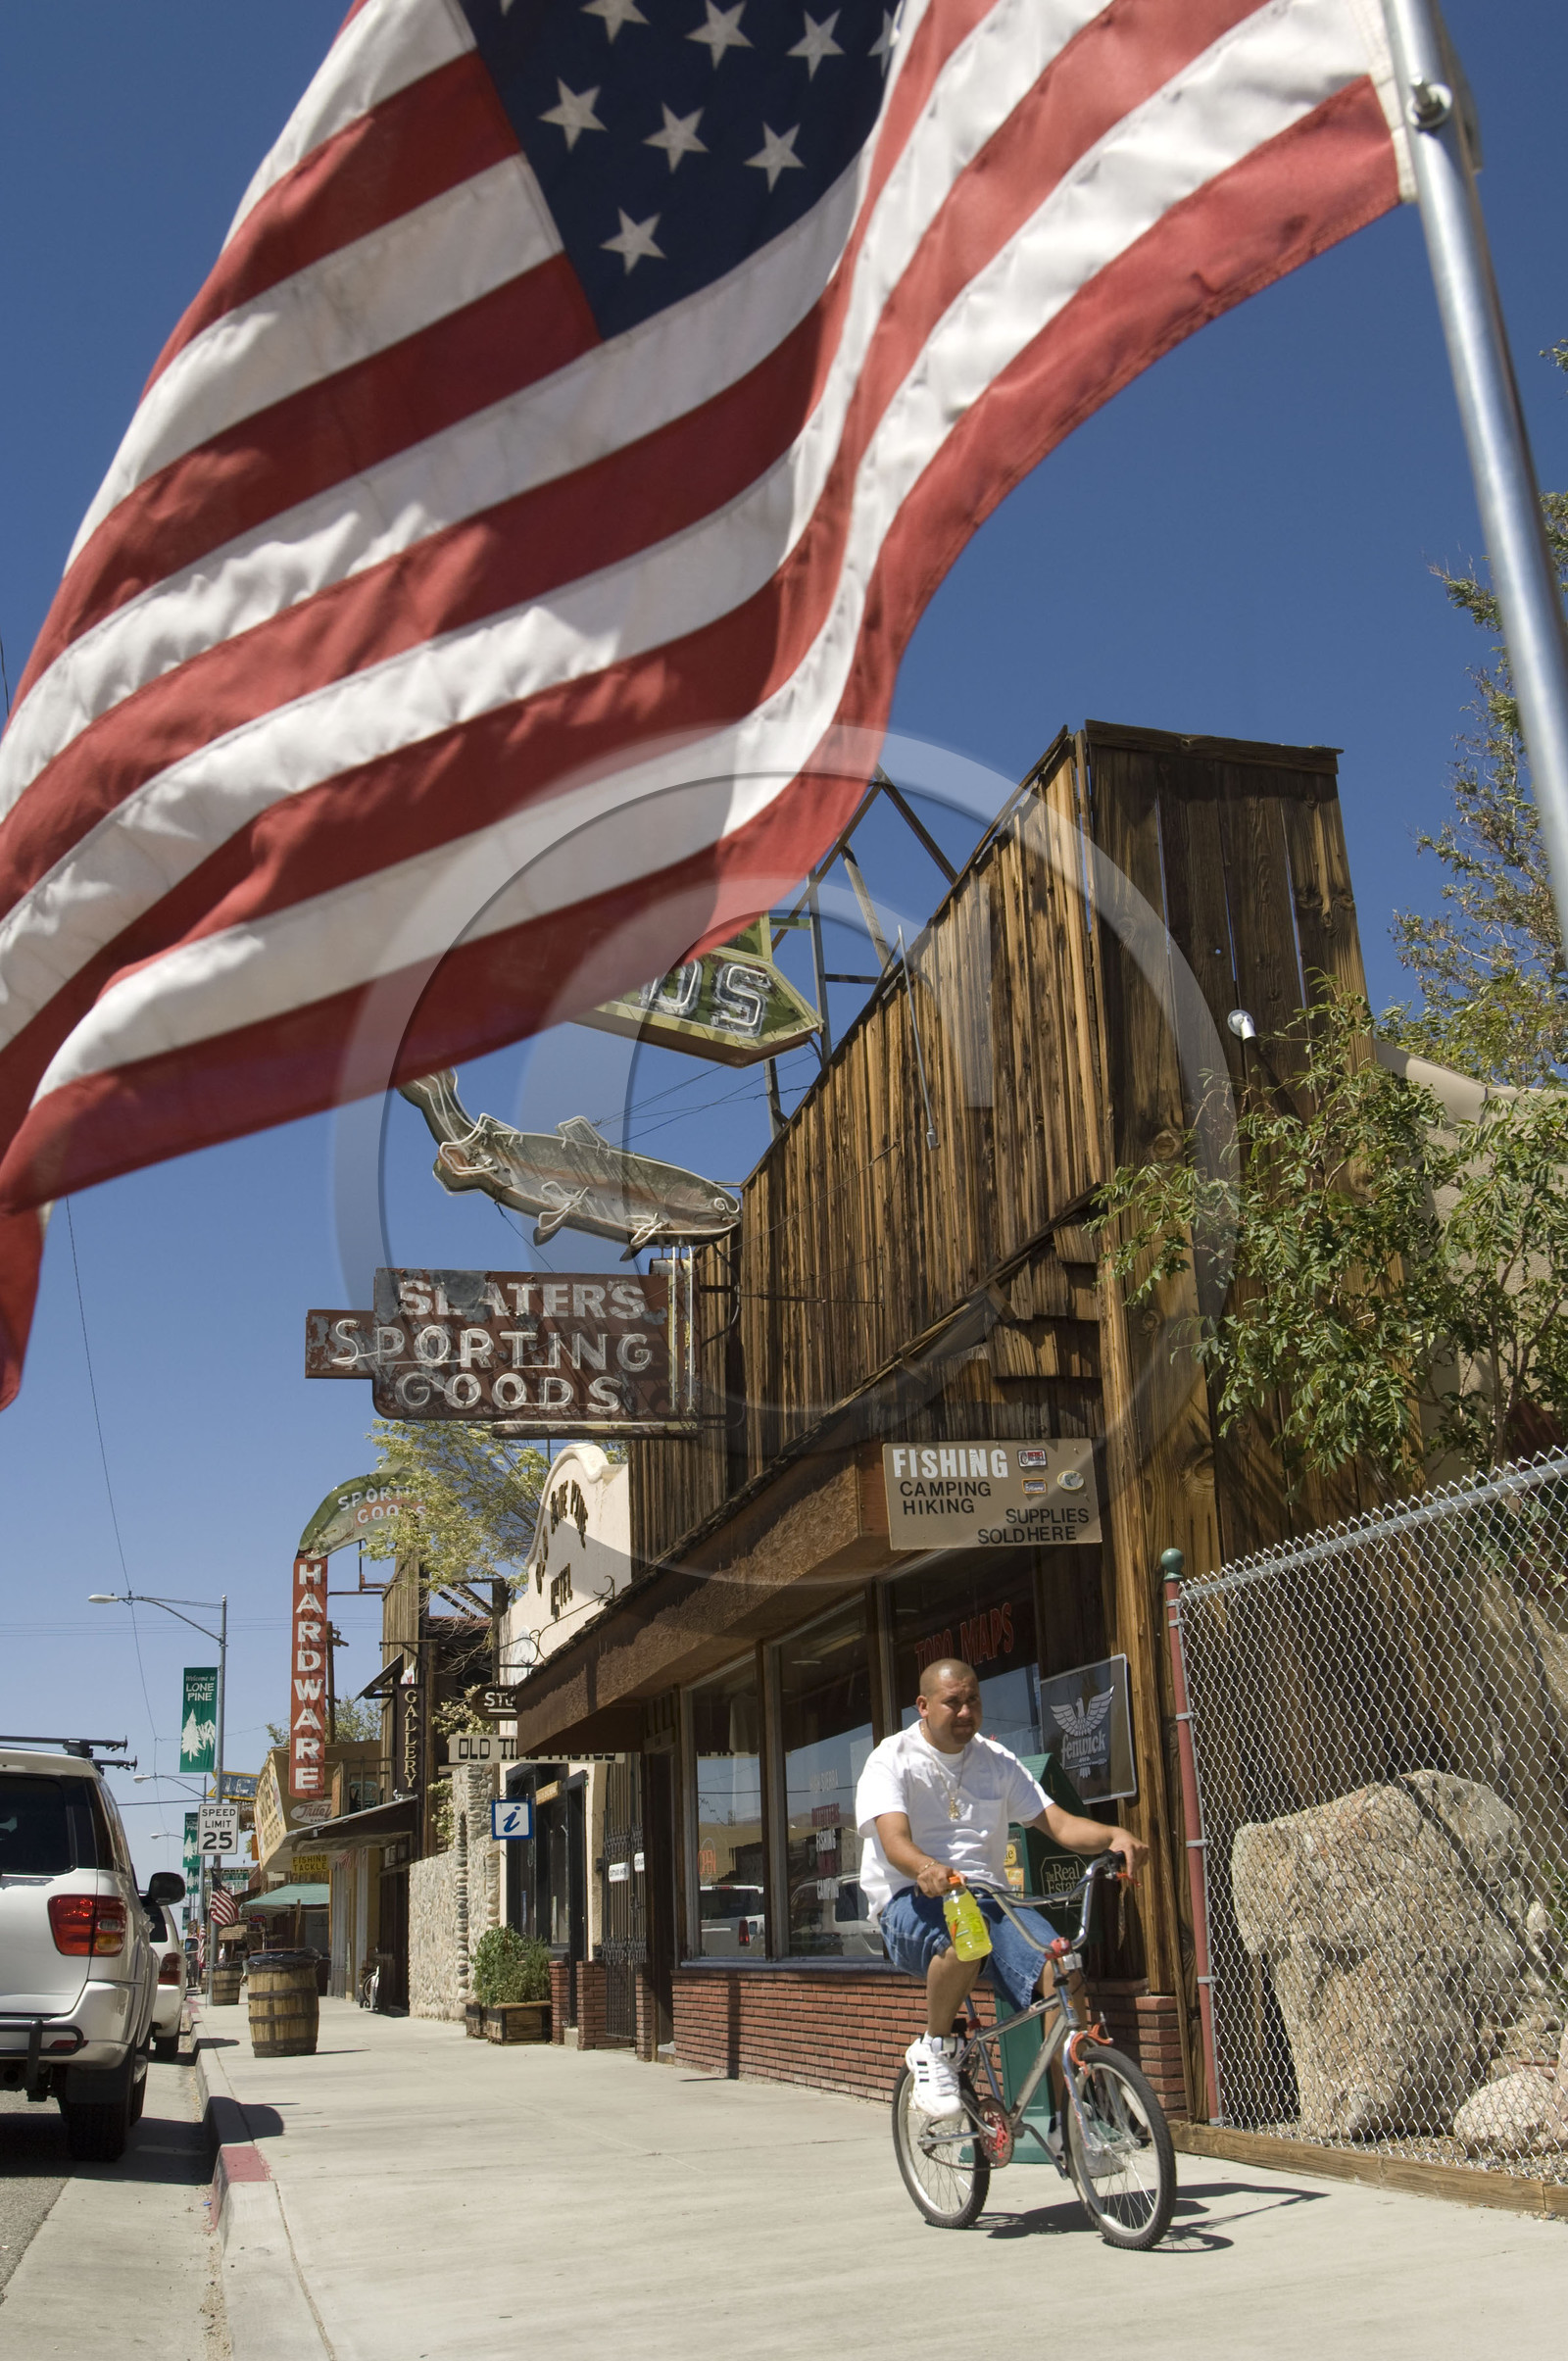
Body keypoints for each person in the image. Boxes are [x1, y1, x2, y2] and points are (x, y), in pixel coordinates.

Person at [855, 1656, 1147, 2118]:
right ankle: (935, 2046)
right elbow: (894, 1843)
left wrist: (1112, 1835)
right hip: (911, 1899)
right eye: (954, 1702)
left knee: (1064, 1965)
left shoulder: (997, 1761)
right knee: (966, 1938)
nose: (967, 1712)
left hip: (990, 1899)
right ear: (923, 1706)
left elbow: (1059, 1824)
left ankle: (1070, 2119)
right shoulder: (891, 1759)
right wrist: (928, 1868)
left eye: (974, 1700)